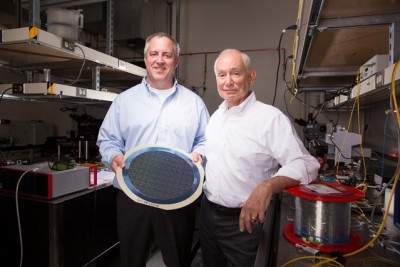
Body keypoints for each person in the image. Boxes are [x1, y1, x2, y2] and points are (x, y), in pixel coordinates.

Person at [96, 32, 210, 267]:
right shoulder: (124, 101)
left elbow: (205, 140)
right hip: (132, 197)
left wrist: (200, 154)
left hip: (179, 199)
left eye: (167, 55)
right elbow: (107, 140)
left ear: (176, 61)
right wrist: (113, 156)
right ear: (146, 59)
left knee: (178, 261)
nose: (160, 60)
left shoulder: (194, 103)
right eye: (154, 54)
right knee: (131, 260)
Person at [200, 49, 320, 267]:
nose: (228, 81)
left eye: (235, 73)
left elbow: (306, 164)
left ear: (251, 77)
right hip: (208, 215)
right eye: (222, 74)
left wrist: (267, 186)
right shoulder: (216, 117)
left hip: (245, 223)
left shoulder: (270, 119)